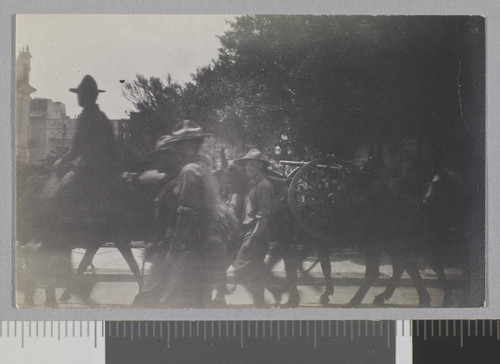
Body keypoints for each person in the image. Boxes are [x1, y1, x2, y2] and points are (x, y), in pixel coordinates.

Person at [157, 120, 221, 308]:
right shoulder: (204, 168)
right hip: (209, 244)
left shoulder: (189, 172)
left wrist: (173, 251)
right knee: (202, 302)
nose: (175, 151)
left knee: (176, 302)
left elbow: (186, 215)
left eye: (178, 146)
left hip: (192, 248)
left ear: (189, 147)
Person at [53, 75, 118, 214]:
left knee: (62, 189)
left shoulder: (85, 117)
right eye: (79, 94)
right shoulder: (103, 117)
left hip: (90, 168)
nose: (79, 97)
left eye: (81, 94)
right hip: (108, 169)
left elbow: (76, 149)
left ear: (90, 96)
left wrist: (61, 161)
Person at [232, 148, 282, 308]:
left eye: (253, 165)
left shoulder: (264, 186)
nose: (249, 168)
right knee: (255, 270)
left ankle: (273, 291)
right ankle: (264, 301)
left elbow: (263, 217)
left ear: (260, 166)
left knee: (240, 267)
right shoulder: (252, 184)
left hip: (257, 233)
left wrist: (251, 239)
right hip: (249, 230)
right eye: (247, 165)